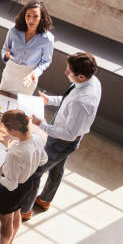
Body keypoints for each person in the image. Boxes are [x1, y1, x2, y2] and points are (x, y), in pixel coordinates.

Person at [19, 52, 102, 221]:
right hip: (65, 139)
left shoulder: (82, 101)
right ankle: (44, 200)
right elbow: (68, 101)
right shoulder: (92, 81)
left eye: (68, 71)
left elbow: (69, 134)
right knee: (57, 168)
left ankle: (24, 210)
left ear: (80, 76)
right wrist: (49, 100)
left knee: (35, 172)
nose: (65, 72)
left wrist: (41, 125)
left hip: (62, 142)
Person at [0, 110, 47, 244]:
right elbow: (43, 160)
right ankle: (10, 241)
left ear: (13, 130)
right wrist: (26, 164)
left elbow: (10, 184)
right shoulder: (36, 139)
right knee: (16, 213)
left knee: (6, 222)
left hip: (12, 191)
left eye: (6, 128)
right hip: (27, 184)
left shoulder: (15, 153)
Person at [0, 1, 54, 95]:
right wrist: (6, 55)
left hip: (28, 76)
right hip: (11, 71)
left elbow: (46, 61)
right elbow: (5, 49)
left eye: (35, 16)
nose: (31, 20)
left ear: (41, 18)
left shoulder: (47, 39)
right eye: (28, 15)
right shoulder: (14, 30)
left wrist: (35, 74)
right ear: (24, 15)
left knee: (19, 107)